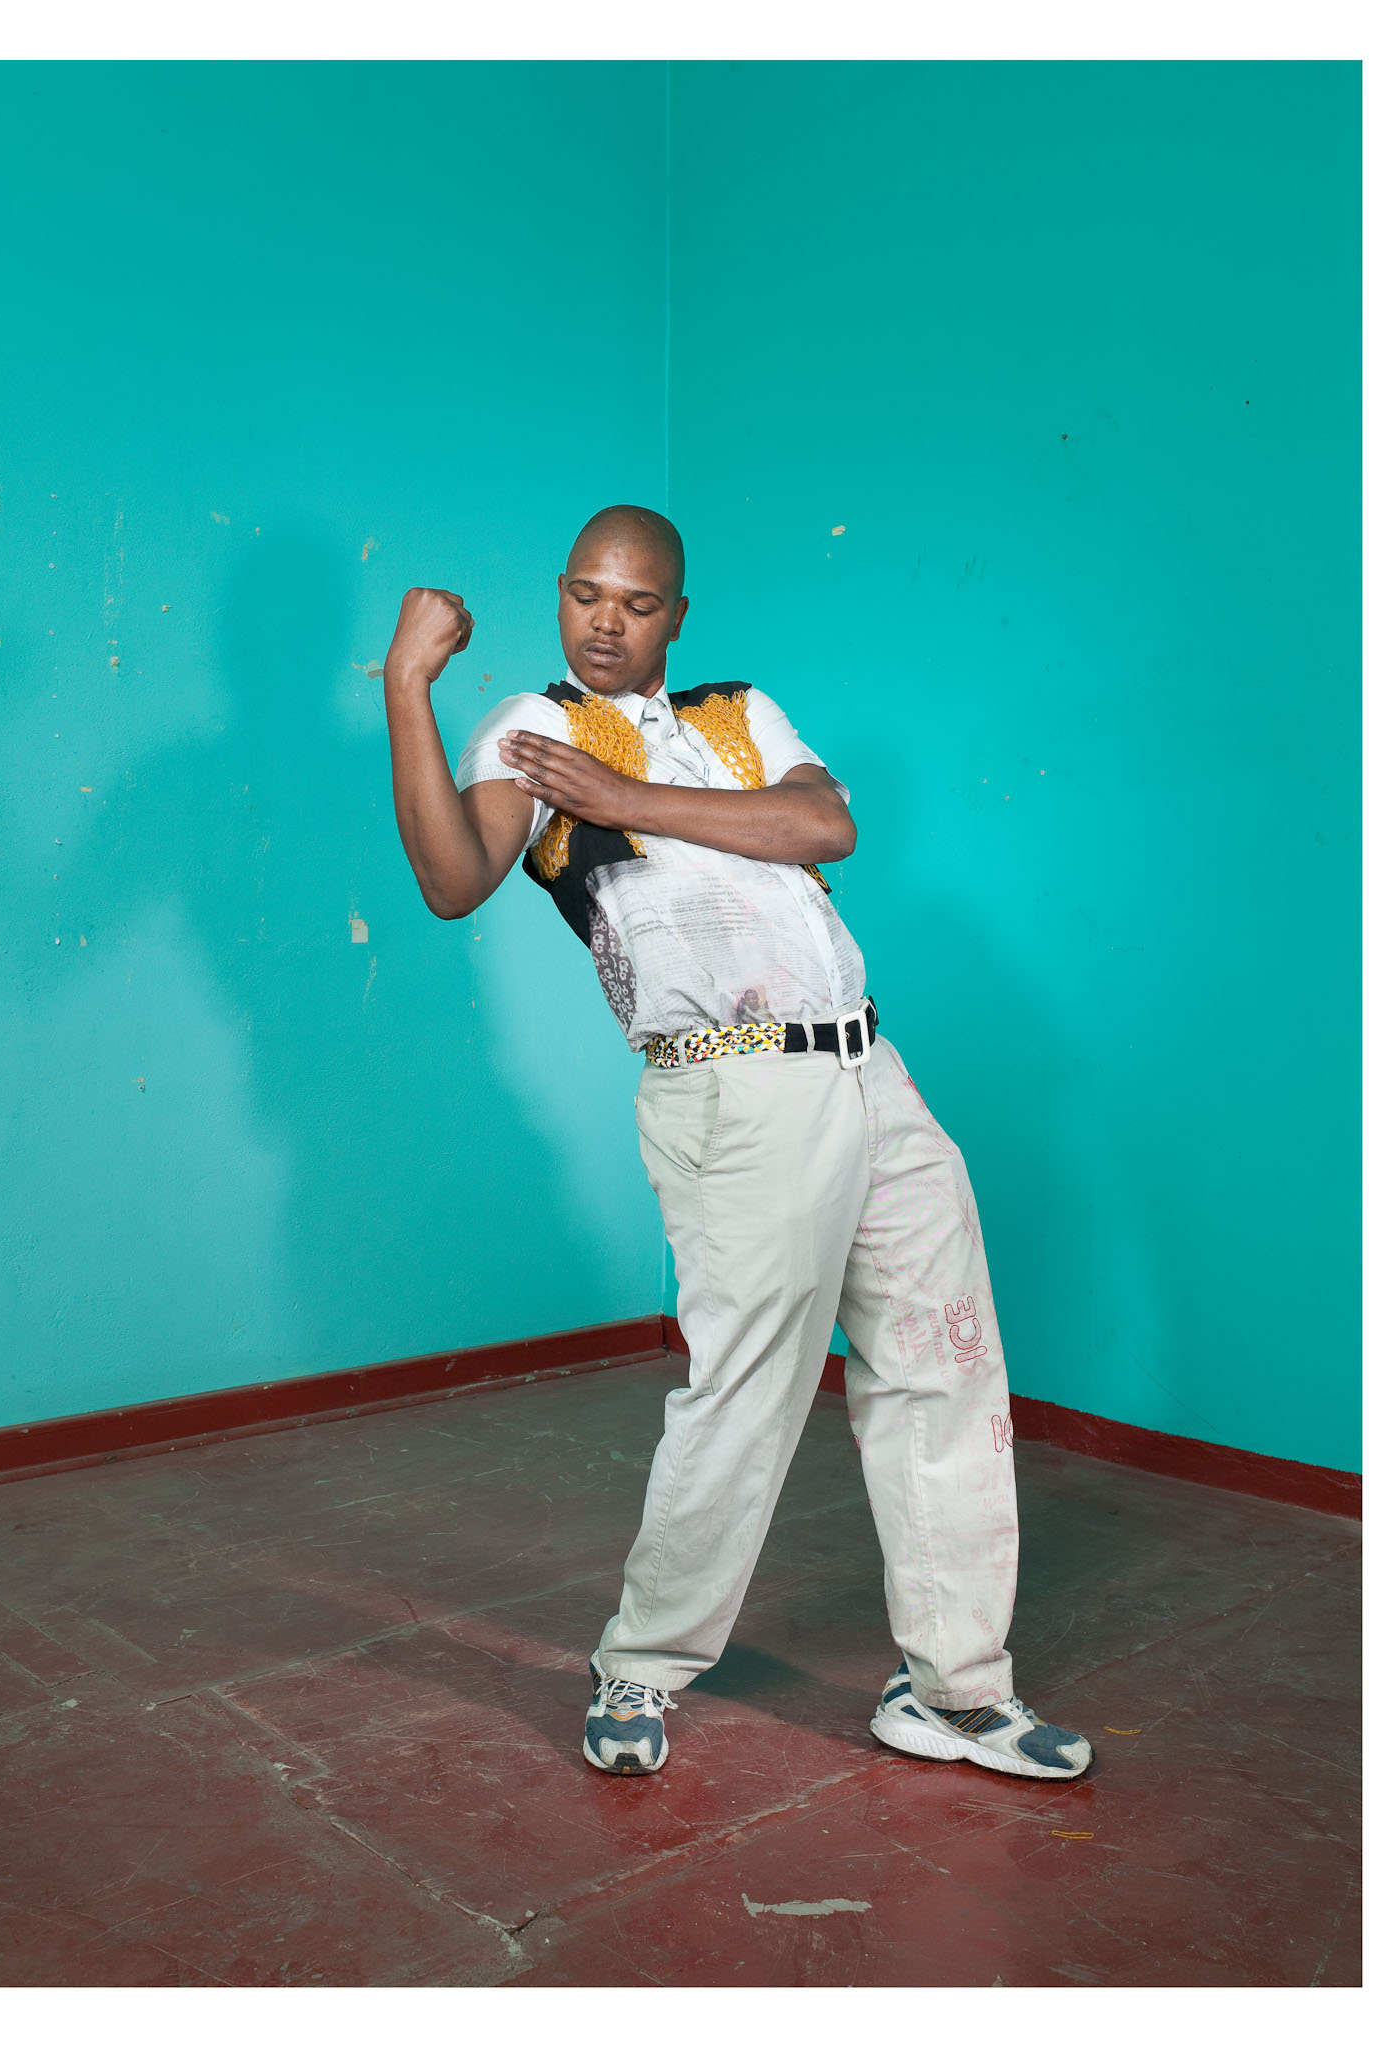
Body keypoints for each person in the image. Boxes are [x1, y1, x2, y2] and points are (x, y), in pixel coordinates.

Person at [381, 504, 1092, 1784]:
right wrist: (406, 685)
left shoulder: (739, 712)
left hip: (869, 1068)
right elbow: (450, 879)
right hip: (729, 1085)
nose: (605, 622)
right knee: (746, 1392)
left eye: (635, 602)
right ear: (560, 593)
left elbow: (822, 826)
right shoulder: (529, 729)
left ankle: (954, 1688)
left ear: (676, 614)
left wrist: (624, 798)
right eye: (584, 595)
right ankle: (640, 1664)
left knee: (943, 1364)